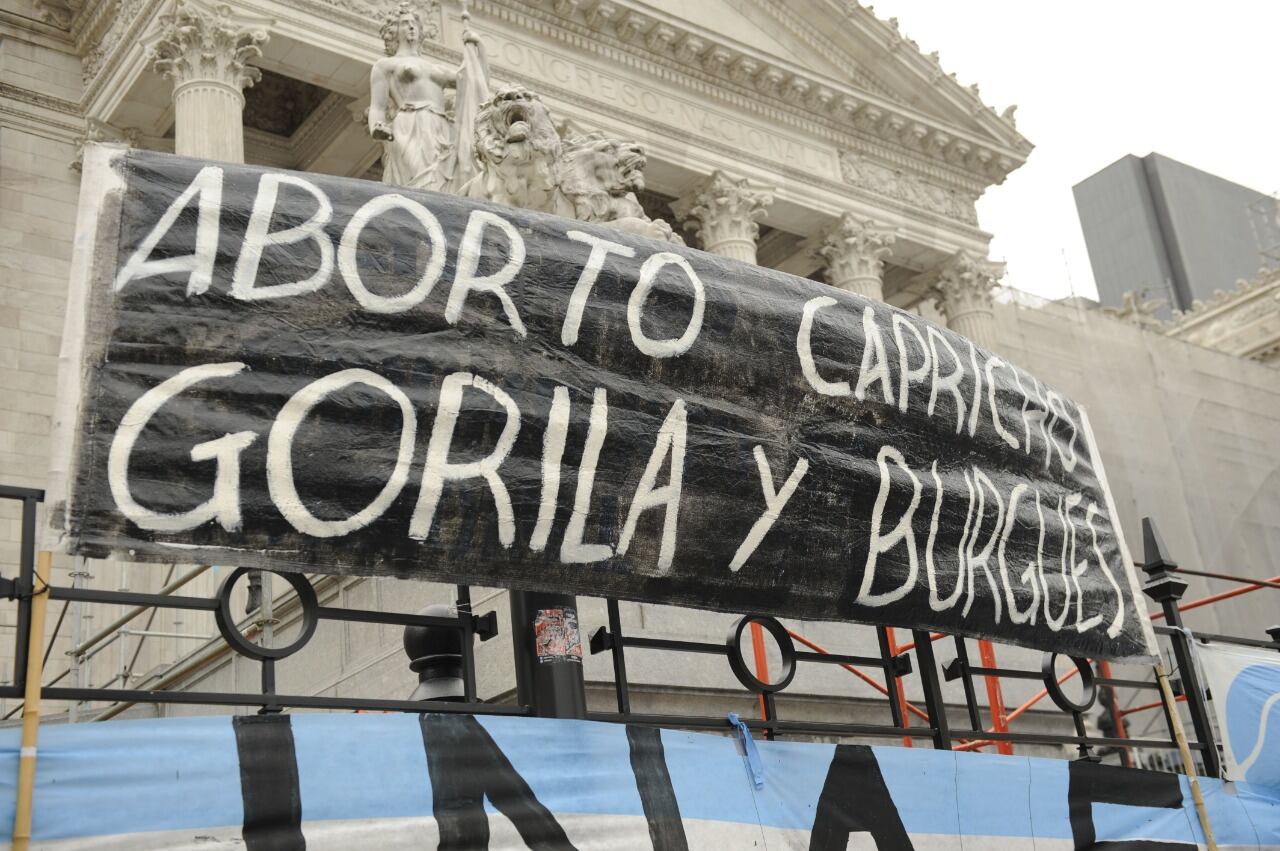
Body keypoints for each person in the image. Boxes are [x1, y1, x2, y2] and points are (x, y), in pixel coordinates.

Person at [368, 3, 460, 191]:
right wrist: (376, 127)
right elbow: (377, 106)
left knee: (443, 183)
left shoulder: (437, 67)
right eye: (404, 23)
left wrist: (475, 52)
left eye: (414, 24)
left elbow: (468, 81)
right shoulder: (386, 65)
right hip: (409, 124)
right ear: (394, 31)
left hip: (441, 126)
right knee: (419, 179)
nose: (411, 27)